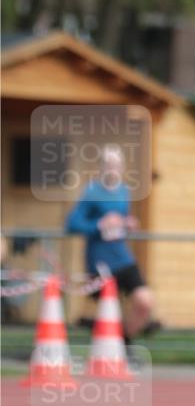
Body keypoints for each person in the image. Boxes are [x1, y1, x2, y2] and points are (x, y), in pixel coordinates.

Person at [65, 144, 156, 342]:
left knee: (145, 302)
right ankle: (114, 348)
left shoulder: (124, 191)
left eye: (116, 164)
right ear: (101, 166)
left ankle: (125, 339)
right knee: (110, 310)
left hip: (123, 257)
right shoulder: (91, 192)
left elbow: (121, 221)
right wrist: (99, 224)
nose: (112, 168)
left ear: (122, 167)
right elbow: (71, 224)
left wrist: (128, 223)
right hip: (100, 261)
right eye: (108, 164)